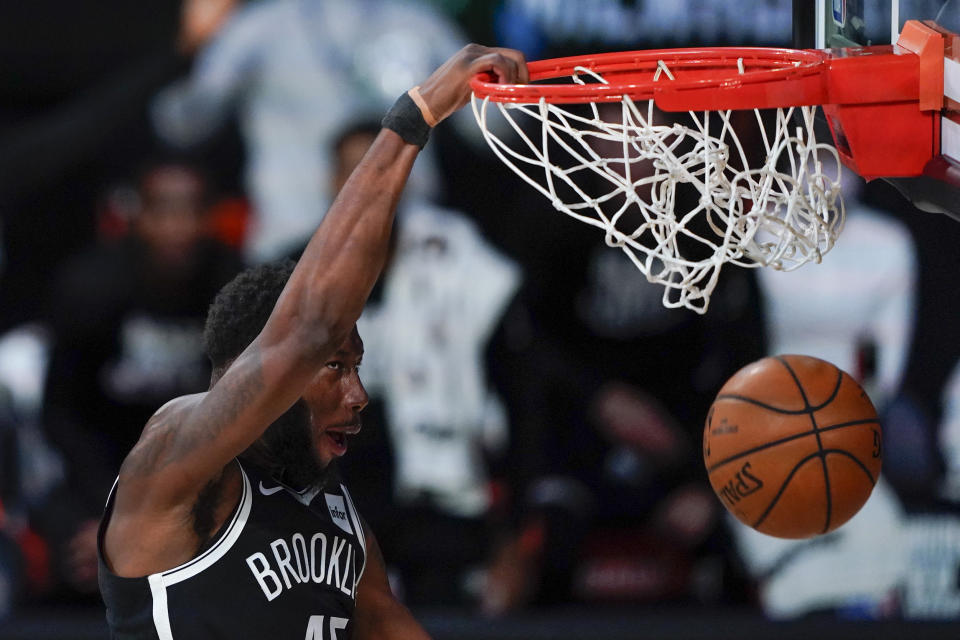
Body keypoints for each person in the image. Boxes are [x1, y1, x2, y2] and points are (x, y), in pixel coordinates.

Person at [97, 45, 528, 638]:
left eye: (358, 367)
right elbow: (306, 329)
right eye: (335, 366)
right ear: (255, 370)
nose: (359, 396)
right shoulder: (177, 453)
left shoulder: (335, 507)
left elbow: (381, 618)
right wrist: (416, 116)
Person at [40, 157, 242, 598]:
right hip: (104, 475)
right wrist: (115, 516)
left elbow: (252, 419)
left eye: (190, 211)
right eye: (162, 211)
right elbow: (62, 414)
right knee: (78, 553)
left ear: (211, 218)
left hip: (206, 483)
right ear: (136, 217)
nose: (177, 227)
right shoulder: (89, 289)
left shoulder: (237, 290)